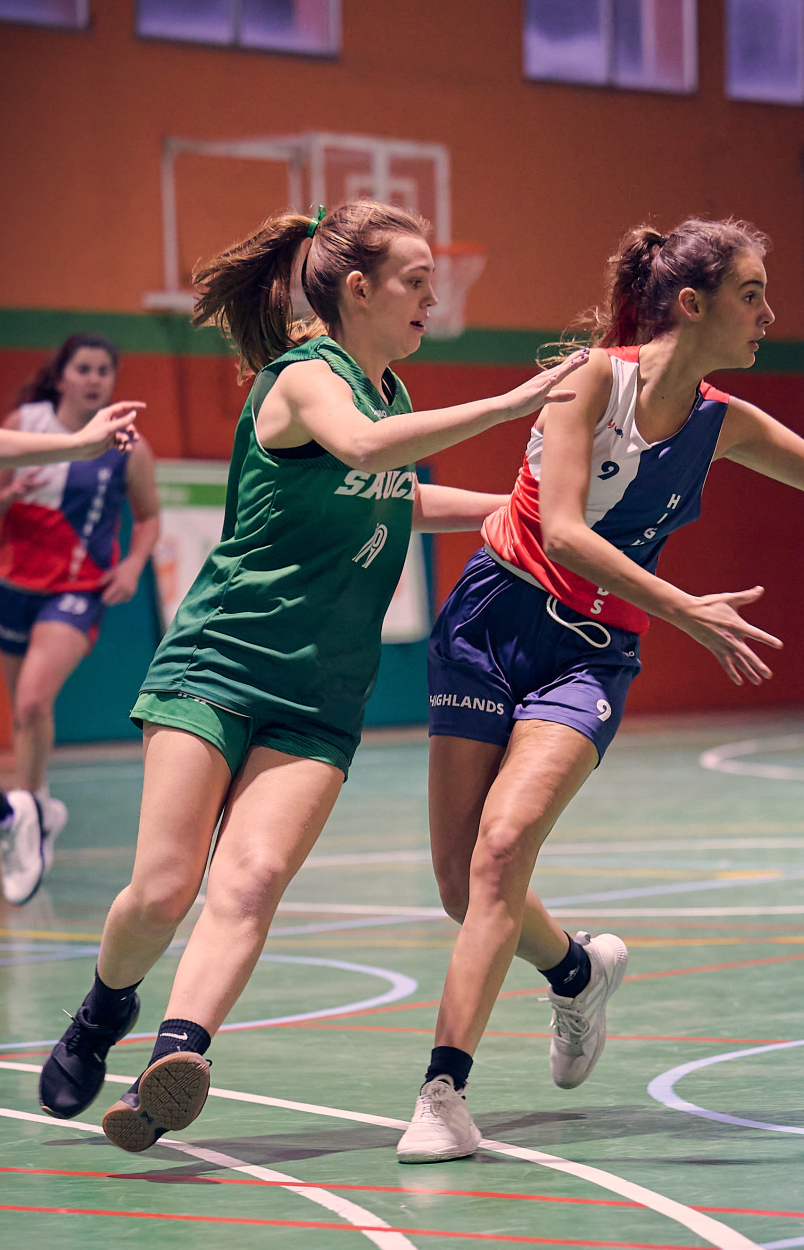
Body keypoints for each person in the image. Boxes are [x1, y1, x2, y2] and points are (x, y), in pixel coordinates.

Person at [398, 214, 804, 1164]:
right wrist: (686, 608)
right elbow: (564, 531)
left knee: (502, 850)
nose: (769, 315)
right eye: (752, 295)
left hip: (590, 652)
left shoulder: (721, 422)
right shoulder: (589, 382)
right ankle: (577, 972)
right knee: (462, 886)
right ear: (692, 305)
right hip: (488, 622)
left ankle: (443, 1093)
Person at [36, 199, 584, 1154]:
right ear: (358, 290)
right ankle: (103, 1009)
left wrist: (522, 511)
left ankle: (175, 1058)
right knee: (162, 892)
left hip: (322, 694)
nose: (432, 299)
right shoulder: (301, 381)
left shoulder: (393, 397)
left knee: (250, 881)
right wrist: (513, 403)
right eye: (416, 282)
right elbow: (365, 453)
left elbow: (395, 493)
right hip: (218, 663)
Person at [0, 335, 159, 905]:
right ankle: (39, 805)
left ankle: (26, 819)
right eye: (83, 369)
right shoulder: (26, 425)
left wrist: (133, 565)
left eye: (103, 371)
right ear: (61, 375)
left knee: (32, 702)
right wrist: (9, 494)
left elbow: (148, 518)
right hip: (14, 585)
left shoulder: (127, 445)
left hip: (76, 589)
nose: (94, 379)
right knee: (23, 716)